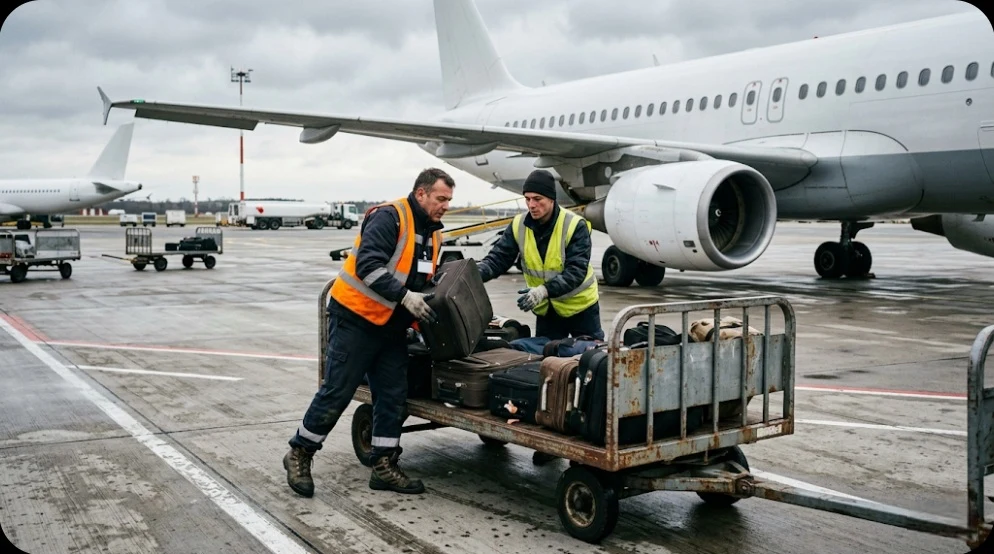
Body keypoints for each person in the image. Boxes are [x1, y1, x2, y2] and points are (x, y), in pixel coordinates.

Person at [283, 168, 454, 497]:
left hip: (391, 327)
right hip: (356, 319)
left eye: (449, 200)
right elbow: (368, 267)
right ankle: (300, 452)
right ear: (421, 194)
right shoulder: (389, 217)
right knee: (338, 390)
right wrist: (405, 297)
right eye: (441, 198)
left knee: (392, 396)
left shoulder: (433, 235)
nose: (445, 205)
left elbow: (419, 280)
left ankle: (383, 465)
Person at [476, 169, 603, 341]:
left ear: (551, 199)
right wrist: (475, 273)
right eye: (527, 199)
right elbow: (498, 259)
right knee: (545, 355)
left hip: (581, 308)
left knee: (590, 353)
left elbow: (576, 271)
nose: (531, 205)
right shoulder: (519, 225)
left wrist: (543, 291)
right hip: (548, 311)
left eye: (537, 199)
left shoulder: (574, 225)